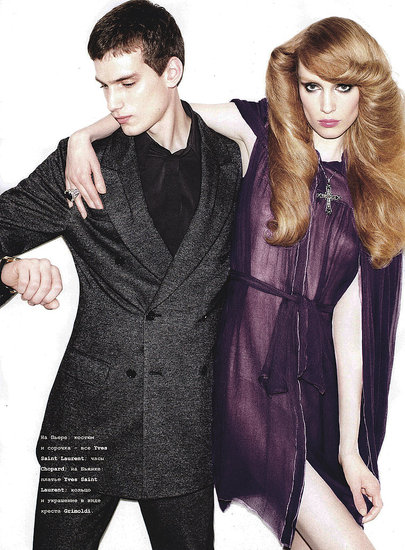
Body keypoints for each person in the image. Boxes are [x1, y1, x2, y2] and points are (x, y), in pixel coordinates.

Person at [66, 15, 405, 550]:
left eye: (343, 87)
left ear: (368, 89)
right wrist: (83, 136)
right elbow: (164, 105)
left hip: (316, 391)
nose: (326, 104)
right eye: (312, 86)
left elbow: (350, 326)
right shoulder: (263, 131)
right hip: (248, 378)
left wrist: (349, 451)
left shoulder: (373, 190)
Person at [0, 1, 241, 548]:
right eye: (104, 87)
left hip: (185, 427)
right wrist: (9, 271)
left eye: (128, 83)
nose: (113, 102)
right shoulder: (83, 165)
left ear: (172, 71)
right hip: (82, 431)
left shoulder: (234, 161)